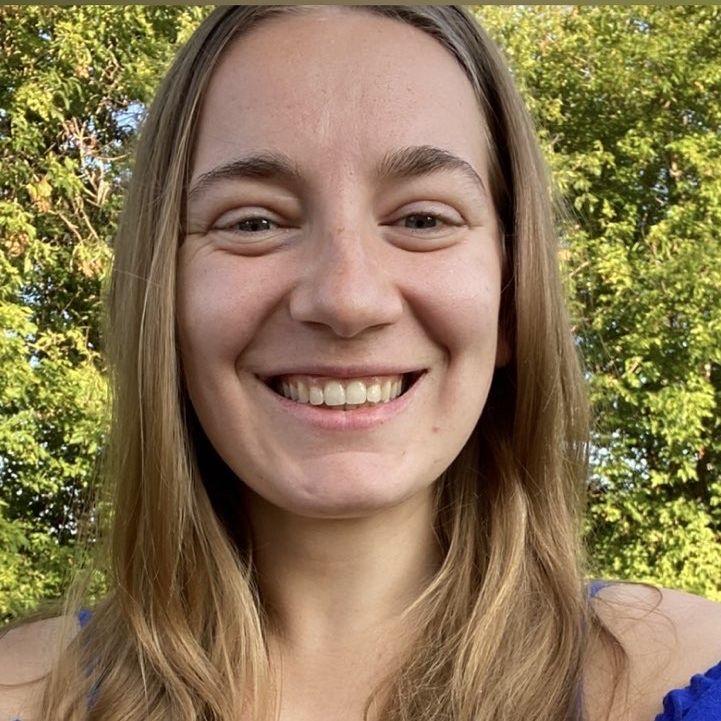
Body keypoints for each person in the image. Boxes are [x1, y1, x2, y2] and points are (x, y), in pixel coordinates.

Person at [1, 5, 721, 721]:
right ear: (165, 298)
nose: (347, 300)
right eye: (254, 221)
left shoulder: (688, 673)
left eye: (423, 219)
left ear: (511, 293)